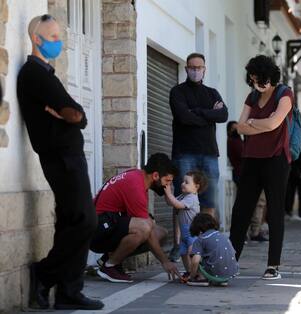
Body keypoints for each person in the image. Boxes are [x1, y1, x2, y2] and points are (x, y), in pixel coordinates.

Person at [17, 15, 103, 310]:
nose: (58, 42)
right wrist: (73, 114)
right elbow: (74, 113)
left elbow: (76, 112)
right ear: (36, 39)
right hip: (62, 158)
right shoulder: (34, 74)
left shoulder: (46, 74)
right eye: (52, 37)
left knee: (71, 222)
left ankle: (69, 291)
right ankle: (45, 272)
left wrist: (74, 113)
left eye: (59, 36)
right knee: (86, 220)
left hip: (67, 156)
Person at [229, 55, 292, 280]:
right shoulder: (252, 96)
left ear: (269, 75)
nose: (255, 81)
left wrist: (253, 123)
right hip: (251, 158)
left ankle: (273, 265)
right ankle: (230, 262)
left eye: (258, 77)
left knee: (274, 212)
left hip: (276, 159)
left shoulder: (284, 93)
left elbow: (275, 123)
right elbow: (239, 128)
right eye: (252, 77)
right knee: (240, 211)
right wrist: (258, 125)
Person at [168, 52, 228, 262]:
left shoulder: (212, 93)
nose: (195, 70)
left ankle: (208, 244)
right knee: (182, 200)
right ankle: (179, 245)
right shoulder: (177, 92)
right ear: (186, 69)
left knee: (208, 201)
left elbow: (223, 115)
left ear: (205, 69)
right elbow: (183, 116)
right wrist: (207, 114)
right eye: (192, 67)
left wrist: (197, 113)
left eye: (199, 67)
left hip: (210, 155)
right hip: (185, 153)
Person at [90, 153, 181, 283]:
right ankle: (109, 267)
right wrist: (165, 262)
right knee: (144, 228)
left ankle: (109, 258)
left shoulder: (139, 177)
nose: (167, 187)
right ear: (155, 176)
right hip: (97, 229)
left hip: (108, 224)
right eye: (167, 181)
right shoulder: (135, 185)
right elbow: (146, 229)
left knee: (161, 233)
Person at [163, 171, 208, 280]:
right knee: (183, 252)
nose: (183, 183)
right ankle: (189, 272)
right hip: (184, 232)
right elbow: (171, 202)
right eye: (183, 181)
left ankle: (197, 273)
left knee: (192, 253)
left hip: (192, 231)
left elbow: (177, 205)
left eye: (186, 182)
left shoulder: (191, 198)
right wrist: (166, 192)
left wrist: (169, 193)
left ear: (196, 187)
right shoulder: (184, 195)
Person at [187, 213, 238, 286]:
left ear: (198, 229)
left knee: (191, 249)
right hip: (230, 273)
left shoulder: (201, 238)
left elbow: (195, 261)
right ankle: (221, 280)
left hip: (214, 272)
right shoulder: (223, 235)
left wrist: (191, 276)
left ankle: (201, 278)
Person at [285, 152, 301, 219]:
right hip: (297, 176)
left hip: (295, 176)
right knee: (294, 195)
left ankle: (291, 211)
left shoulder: (294, 152)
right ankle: (297, 212)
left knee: (292, 195)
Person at [227, 121, 243, 186]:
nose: (236, 130)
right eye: (233, 128)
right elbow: (241, 154)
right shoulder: (232, 141)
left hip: (240, 171)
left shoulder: (238, 140)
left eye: (237, 127)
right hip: (239, 172)